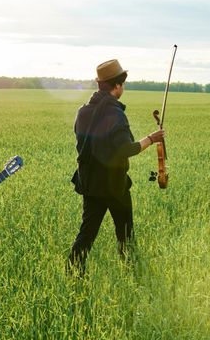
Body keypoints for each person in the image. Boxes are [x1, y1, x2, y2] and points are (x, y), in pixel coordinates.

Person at [68, 59, 165, 275]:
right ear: (117, 85)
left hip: (90, 183)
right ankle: (134, 274)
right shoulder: (114, 113)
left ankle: (73, 273)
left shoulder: (82, 111)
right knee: (125, 234)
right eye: (123, 84)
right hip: (114, 185)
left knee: (86, 234)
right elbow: (126, 149)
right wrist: (152, 138)